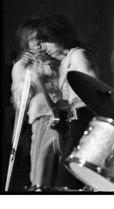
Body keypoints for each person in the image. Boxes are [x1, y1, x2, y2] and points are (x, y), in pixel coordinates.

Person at [38, 14, 100, 189]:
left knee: (67, 180)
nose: (43, 47)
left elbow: (93, 90)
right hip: (74, 120)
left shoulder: (78, 55)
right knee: (70, 179)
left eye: (48, 40)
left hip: (84, 117)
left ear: (60, 36)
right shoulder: (66, 61)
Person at [11, 15, 62, 190]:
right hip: (43, 117)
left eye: (43, 38)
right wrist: (30, 74)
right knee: (41, 170)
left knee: (64, 170)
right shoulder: (22, 66)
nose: (39, 44)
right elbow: (19, 99)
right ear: (26, 42)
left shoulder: (58, 60)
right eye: (34, 39)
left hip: (66, 116)